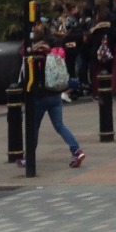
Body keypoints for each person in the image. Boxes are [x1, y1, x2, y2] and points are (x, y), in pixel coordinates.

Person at [17, 29, 86, 169]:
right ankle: (76, 150)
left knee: (33, 127)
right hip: (55, 94)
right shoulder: (54, 52)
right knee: (60, 126)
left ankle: (29, 158)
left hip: (39, 96)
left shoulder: (33, 54)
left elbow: (21, 55)